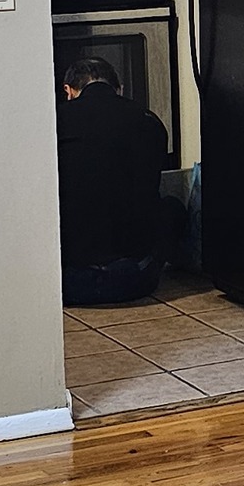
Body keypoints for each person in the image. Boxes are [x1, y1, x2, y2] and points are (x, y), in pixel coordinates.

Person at [56, 59, 173, 305]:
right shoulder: (149, 121)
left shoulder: (54, 122)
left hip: (64, 284)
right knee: (172, 208)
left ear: (69, 91)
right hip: (134, 279)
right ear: (119, 88)